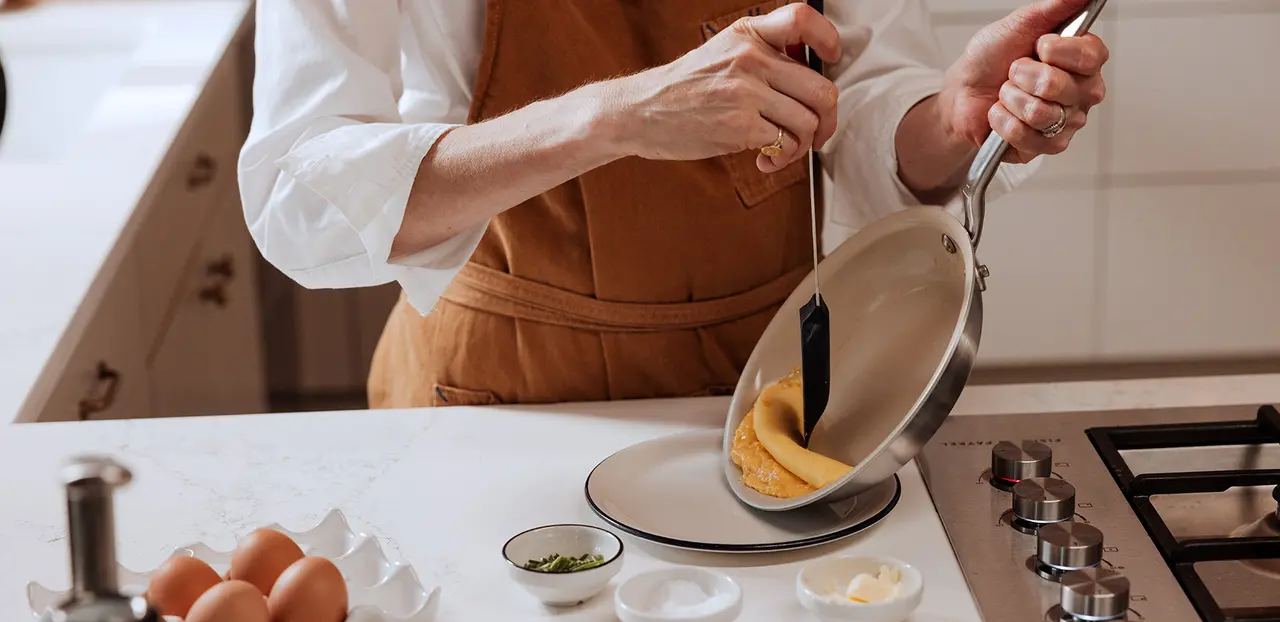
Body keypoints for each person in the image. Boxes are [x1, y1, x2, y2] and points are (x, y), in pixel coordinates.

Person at [239, 0, 1109, 408]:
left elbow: (867, 99)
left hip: (762, 380)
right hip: (497, 396)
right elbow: (297, 196)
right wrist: (615, 116)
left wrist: (955, 126)